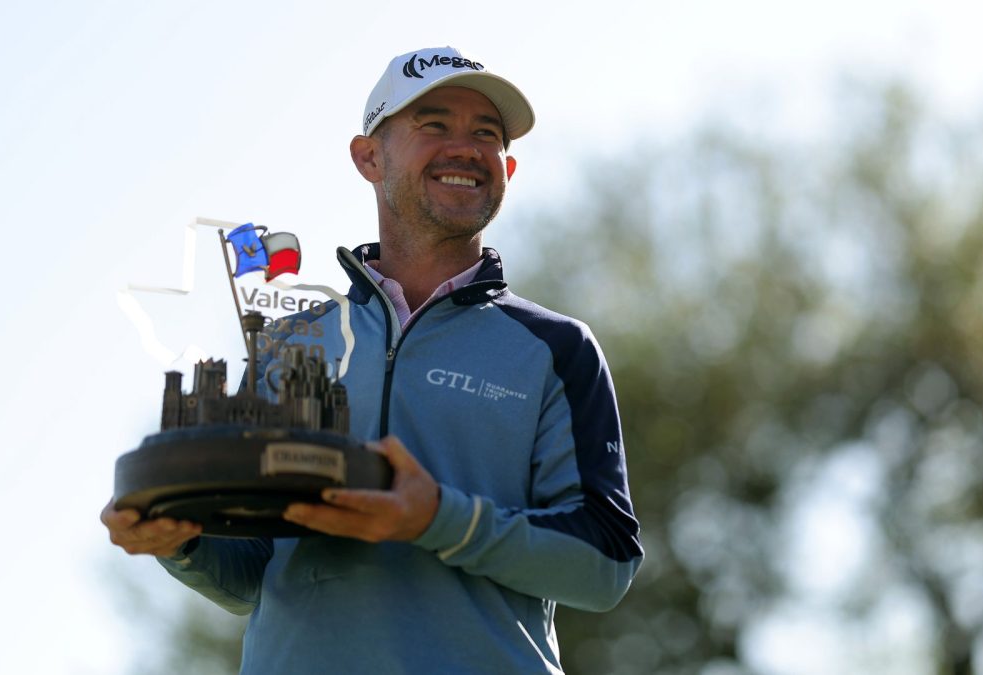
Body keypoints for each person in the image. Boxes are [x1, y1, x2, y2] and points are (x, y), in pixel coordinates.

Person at [101, 46, 643, 674]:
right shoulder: (283, 344)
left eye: (486, 134)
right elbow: (253, 573)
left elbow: (605, 565)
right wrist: (181, 542)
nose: (465, 149)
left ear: (508, 168)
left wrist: (437, 518)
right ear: (368, 158)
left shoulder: (557, 349)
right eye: (434, 124)